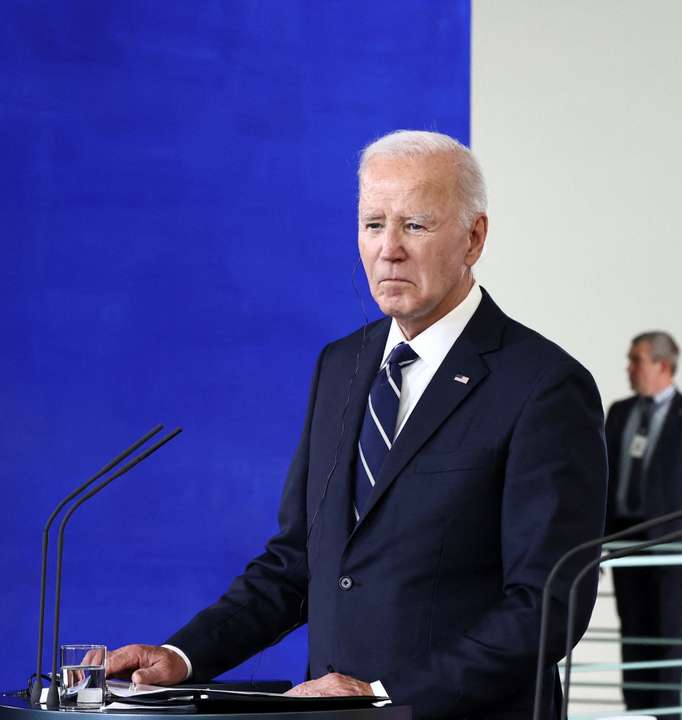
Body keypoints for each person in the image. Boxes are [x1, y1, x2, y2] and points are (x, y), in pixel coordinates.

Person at [106, 130, 608, 720]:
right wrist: (182, 656)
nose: (389, 249)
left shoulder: (544, 384)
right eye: (374, 224)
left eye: (415, 225)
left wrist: (384, 694)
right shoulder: (341, 365)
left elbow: (547, 605)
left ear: (474, 238)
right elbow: (297, 563)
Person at [603, 331, 682, 716]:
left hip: (673, 547)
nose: (629, 368)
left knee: (668, 639)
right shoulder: (619, 412)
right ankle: (637, 713)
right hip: (625, 543)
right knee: (632, 636)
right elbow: (602, 477)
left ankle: (667, 715)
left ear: (664, 366)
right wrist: (597, 542)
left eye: (636, 360)